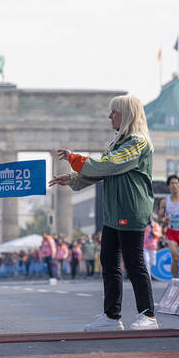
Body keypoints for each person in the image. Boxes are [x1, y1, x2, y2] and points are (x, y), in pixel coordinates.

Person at [50, 95, 158, 331]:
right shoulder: (116, 143)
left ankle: (148, 315)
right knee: (108, 262)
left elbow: (109, 165)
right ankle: (111, 317)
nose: (110, 117)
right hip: (113, 211)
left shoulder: (138, 142)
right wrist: (73, 179)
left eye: (114, 112)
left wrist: (75, 159)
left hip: (131, 208)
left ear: (127, 114)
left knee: (134, 262)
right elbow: (103, 171)